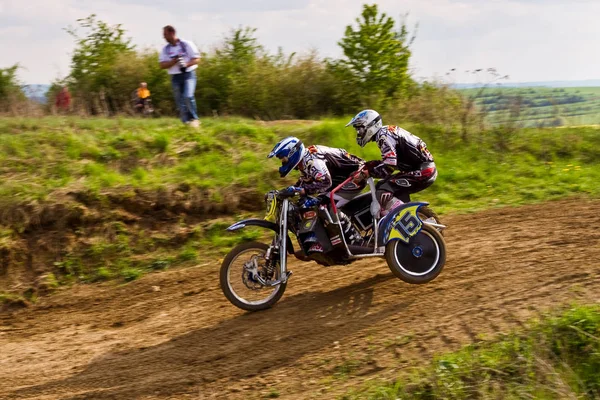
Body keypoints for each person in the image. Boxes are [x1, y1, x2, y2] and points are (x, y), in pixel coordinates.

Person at [268, 136, 364, 246]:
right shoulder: (304, 161)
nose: (283, 162)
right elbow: (306, 181)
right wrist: (288, 190)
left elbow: (326, 182)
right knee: (310, 204)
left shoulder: (313, 160)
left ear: (292, 153)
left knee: (328, 205)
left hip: (356, 175)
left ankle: (356, 239)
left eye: (284, 159)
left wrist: (301, 190)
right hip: (339, 178)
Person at [346, 109, 437, 216]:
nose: (358, 133)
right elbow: (390, 162)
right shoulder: (386, 132)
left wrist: (367, 173)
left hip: (423, 171)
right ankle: (400, 214)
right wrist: (369, 166)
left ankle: (406, 219)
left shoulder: (383, 136)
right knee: (380, 186)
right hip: (421, 169)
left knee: (383, 192)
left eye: (359, 129)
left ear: (370, 125)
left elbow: (389, 166)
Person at [159, 25, 200, 127]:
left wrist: (186, 64)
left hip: (188, 75)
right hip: (175, 77)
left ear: (172, 33)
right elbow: (162, 65)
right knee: (179, 101)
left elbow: (197, 59)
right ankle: (185, 122)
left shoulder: (186, 44)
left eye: (165, 34)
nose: (164, 37)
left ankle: (194, 119)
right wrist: (173, 61)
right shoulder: (165, 49)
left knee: (188, 96)